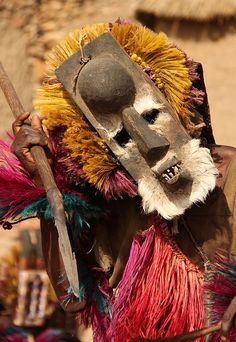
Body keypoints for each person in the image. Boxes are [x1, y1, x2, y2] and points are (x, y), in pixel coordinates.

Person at [1, 19, 236, 341]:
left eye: (153, 117)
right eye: (123, 137)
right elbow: (72, 298)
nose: (153, 145)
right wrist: (46, 185)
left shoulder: (232, 173)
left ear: (181, 107)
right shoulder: (109, 207)